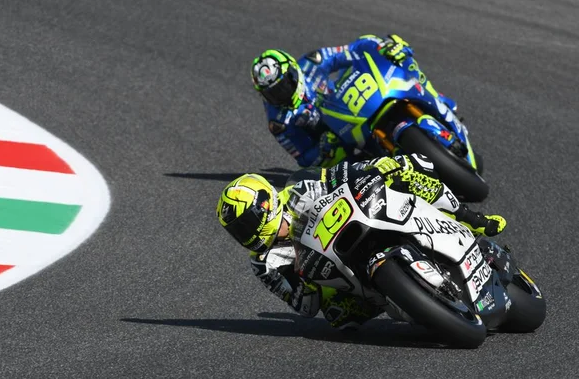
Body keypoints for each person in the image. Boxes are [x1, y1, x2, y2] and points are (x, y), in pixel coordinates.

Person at [216, 153, 506, 330]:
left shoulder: (298, 189)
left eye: (245, 224)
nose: (245, 234)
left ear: (266, 204)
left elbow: (337, 175)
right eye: (237, 231)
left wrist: (376, 167)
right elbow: (304, 307)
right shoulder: (264, 264)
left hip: (361, 222)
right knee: (340, 318)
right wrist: (303, 281)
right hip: (335, 275)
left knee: (408, 177)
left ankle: (473, 219)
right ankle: (421, 306)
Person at [251, 34, 458, 168]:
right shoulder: (278, 122)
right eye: (273, 93)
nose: (281, 95)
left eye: (283, 86)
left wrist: (383, 48)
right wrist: (322, 149)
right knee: (347, 173)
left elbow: (353, 49)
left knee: (403, 63)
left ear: (293, 72)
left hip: (353, 102)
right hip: (338, 140)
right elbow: (304, 157)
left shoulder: (312, 63)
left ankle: (435, 99)